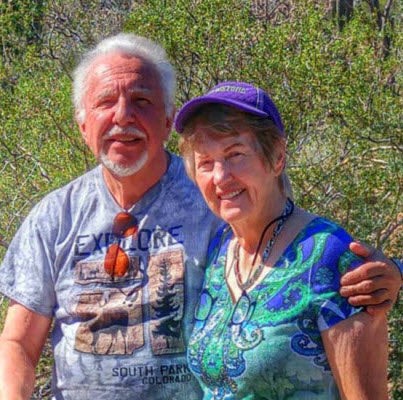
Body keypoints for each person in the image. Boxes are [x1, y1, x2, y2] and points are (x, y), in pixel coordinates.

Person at [0, 34, 400, 400]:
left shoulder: (213, 202)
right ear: (82, 123)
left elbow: (302, 250)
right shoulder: (53, 218)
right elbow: (17, 341)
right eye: (105, 101)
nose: (123, 116)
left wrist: (388, 272)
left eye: (142, 101)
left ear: (167, 117)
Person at [175, 81, 400, 400]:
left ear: (277, 157)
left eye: (235, 154)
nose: (220, 177)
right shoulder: (219, 252)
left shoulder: (328, 256)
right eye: (205, 163)